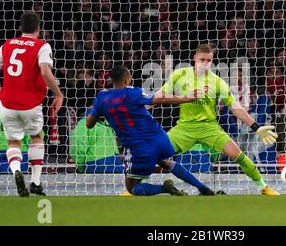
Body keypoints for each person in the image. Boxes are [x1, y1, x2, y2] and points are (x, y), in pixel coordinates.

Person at [156, 44, 280, 195]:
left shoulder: (217, 81)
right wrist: (141, 105)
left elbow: (236, 108)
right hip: (184, 127)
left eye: (208, 60)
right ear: (194, 58)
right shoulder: (179, 75)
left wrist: (256, 127)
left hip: (209, 127)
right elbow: (160, 95)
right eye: (202, 59)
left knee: (237, 154)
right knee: (154, 153)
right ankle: (136, 186)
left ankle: (263, 187)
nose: (205, 63)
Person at [86, 66, 215, 196]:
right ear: (127, 79)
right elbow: (160, 99)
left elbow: (89, 124)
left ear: (111, 80)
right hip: (161, 139)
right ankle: (202, 187)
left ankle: (165, 189)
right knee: (165, 161)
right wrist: (186, 98)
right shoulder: (134, 92)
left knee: (133, 187)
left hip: (139, 147)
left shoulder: (102, 98)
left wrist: (103, 112)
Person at [0, 12, 64, 197]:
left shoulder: (7, 45)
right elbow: (45, 72)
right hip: (30, 104)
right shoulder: (42, 46)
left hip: (7, 104)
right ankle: (36, 182)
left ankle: (16, 171)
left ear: (20, 28)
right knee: (36, 137)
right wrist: (58, 93)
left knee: (13, 141)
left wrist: (0, 93)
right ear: (38, 29)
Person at [71, 109, 123, 173]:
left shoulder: (107, 123)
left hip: (114, 165)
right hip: (98, 166)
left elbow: (77, 148)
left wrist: (81, 167)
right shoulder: (85, 123)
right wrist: (82, 166)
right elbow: (78, 148)